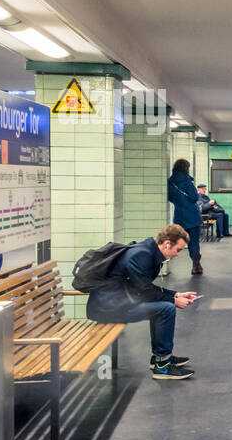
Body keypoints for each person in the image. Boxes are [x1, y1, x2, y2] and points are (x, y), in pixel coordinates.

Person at [85, 224, 198, 380]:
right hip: (108, 308)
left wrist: (176, 294)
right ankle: (162, 366)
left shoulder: (148, 252)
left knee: (164, 307)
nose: (178, 255)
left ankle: (160, 358)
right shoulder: (141, 255)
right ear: (167, 244)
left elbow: (145, 287)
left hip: (119, 302)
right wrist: (173, 300)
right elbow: (145, 291)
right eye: (178, 250)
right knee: (166, 309)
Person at [168, 158, 203, 275]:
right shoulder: (187, 181)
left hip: (179, 216)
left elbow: (170, 198)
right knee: (194, 242)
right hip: (192, 215)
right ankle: (196, 265)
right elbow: (194, 197)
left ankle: (165, 262)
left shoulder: (170, 182)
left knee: (178, 240)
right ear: (185, 168)